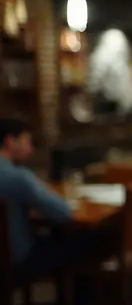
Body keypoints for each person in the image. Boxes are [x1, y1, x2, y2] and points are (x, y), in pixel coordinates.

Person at [0, 118, 104, 288]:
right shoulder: (18, 178)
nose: (31, 148)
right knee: (90, 238)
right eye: (27, 141)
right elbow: (64, 213)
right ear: (10, 142)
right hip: (18, 260)